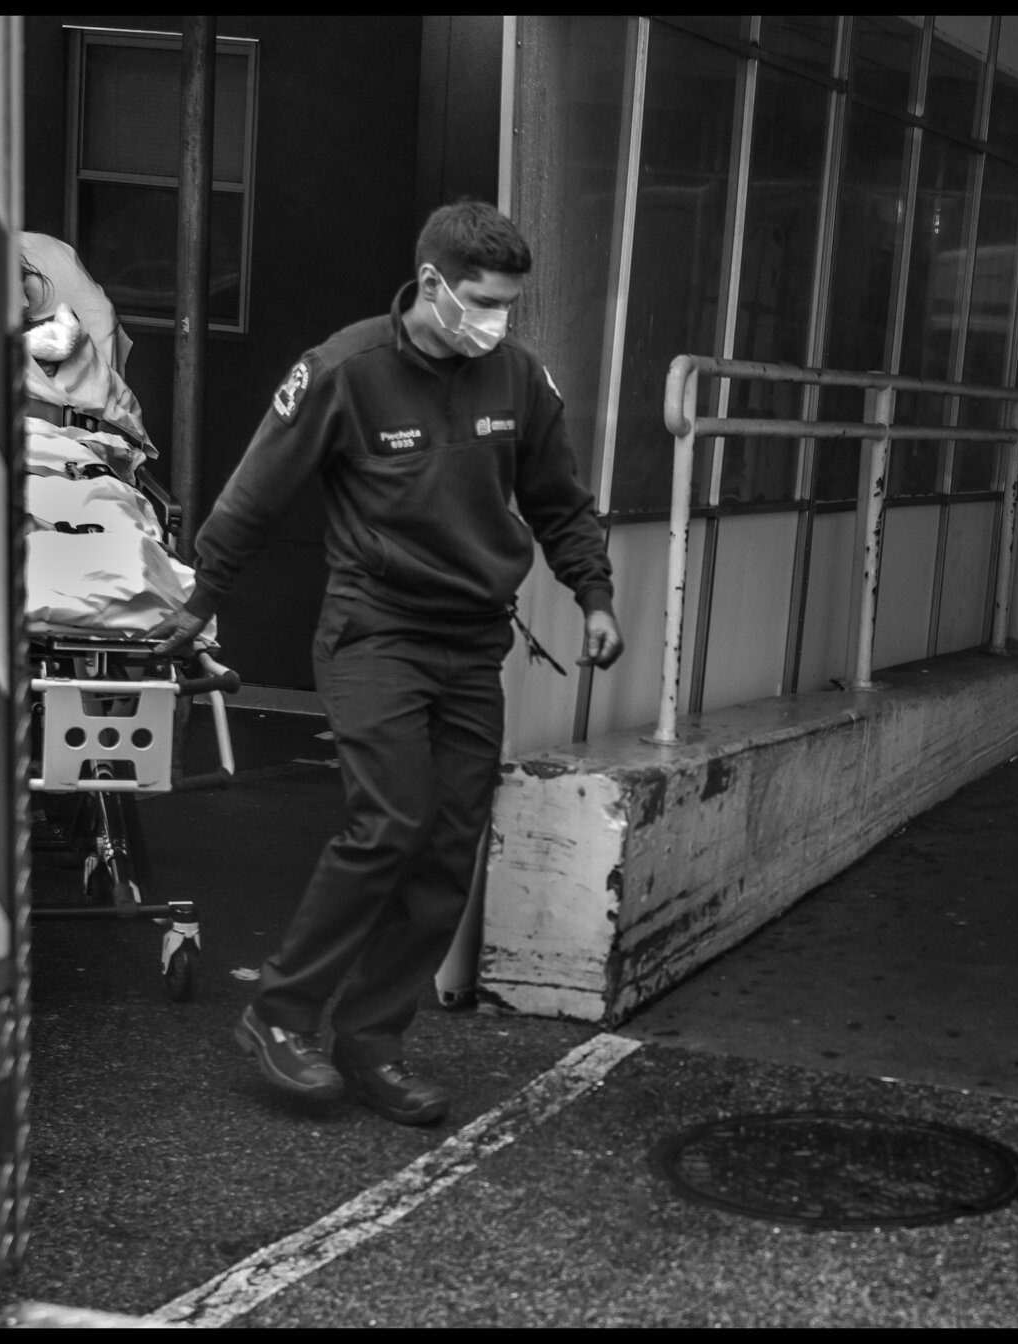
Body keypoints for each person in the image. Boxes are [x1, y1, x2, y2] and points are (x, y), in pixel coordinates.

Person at [146, 200, 623, 1125]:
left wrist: (594, 594)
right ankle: (279, 1016)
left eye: (509, 306)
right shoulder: (345, 370)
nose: (496, 321)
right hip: (376, 631)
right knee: (390, 822)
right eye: (482, 301)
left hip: (472, 638)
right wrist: (202, 601)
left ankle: (372, 1044)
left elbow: (560, 501)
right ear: (432, 285)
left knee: (447, 848)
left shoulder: (518, 379)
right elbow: (257, 490)